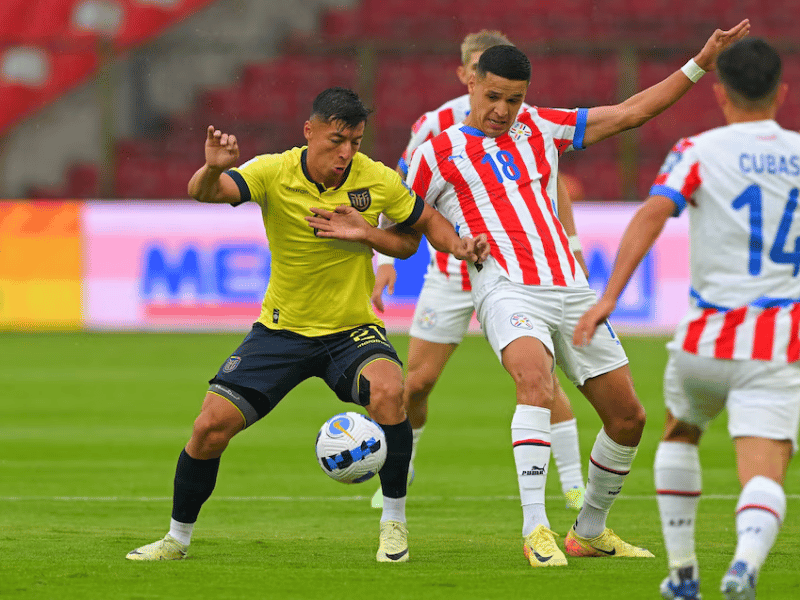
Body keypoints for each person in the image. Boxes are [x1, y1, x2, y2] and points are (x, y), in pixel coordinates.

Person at [402, 21, 751, 568]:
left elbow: (631, 112)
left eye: (513, 100)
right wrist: (362, 235)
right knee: (534, 385)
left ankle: (588, 528)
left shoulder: (540, 126)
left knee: (629, 418)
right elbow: (403, 224)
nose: (502, 109)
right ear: (471, 84)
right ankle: (534, 527)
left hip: (570, 290)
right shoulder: (435, 151)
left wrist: (700, 60)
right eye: (492, 96)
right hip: (506, 288)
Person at [125, 87, 488, 563]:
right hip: (280, 332)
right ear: (309, 131)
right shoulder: (273, 171)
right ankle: (176, 539)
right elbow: (206, 192)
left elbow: (415, 234)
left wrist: (385, 234)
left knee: (390, 392)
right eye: (337, 139)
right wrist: (214, 166)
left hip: (350, 331)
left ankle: (394, 525)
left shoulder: (375, 179)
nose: (346, 152)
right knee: (208, 428)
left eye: (355, 142)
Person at [574, 38, 797, 600]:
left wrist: (608, 298)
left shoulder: (696, 149)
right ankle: (744, 564)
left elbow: (652, 214)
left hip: (705, 338)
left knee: (680, 433)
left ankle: (681, 573)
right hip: (776, 343)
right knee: (765, 469)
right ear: (783, 92)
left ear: (720, 93)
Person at [370, 29, 589, 512]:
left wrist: (570, 248)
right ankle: (403, 466)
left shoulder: (523, 122)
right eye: (474, 69)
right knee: (418, 383)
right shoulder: (434, 127)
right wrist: (384, 261)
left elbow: (552, 191)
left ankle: (573, 486)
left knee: (541, 379)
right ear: (465, 74)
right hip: (452, 274)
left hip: (518, 273)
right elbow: (402, 195)